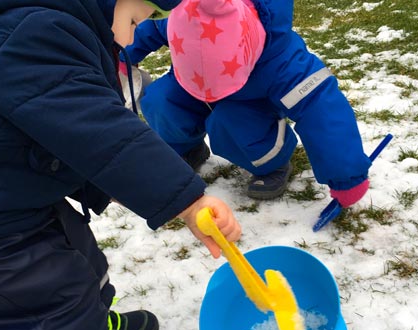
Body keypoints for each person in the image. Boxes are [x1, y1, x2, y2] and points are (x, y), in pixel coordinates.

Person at [0, 0, 241, 330]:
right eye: (148, 12)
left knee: (78, 259)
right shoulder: (29, 32)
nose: (141, 27)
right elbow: (98, 130)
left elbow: (58, 125)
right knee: (53, 318)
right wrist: (189, 202)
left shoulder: (44, 22)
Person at [121, 0, 373, 203]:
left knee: (230, 121)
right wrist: (121, 54)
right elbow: (148, 28)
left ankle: (272, 164)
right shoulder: (179, 10)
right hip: (191, 82)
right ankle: (188, 149)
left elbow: (322, 107)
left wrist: (346, 176)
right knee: (161, 100)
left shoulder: (282, 60)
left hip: (248, 100)